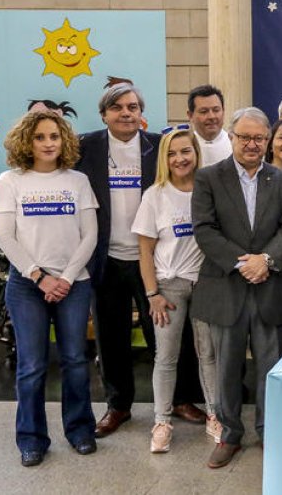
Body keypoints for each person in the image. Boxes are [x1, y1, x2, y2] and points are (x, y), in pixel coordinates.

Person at [76, 83, 207, 438]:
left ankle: (181, 399)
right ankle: (118, 406)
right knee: (111, 335)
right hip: (106, 257)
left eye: (132, 106)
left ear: (141, 112)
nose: (126, 113)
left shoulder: (156, 147)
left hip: (153, 258)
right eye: (117, 107)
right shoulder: (86, 147)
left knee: (165, 334)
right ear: (104, 113)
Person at [191, 107, 282, 469]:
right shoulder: (208, 178)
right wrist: (245, 263)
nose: (252, 144)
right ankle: (230, 434)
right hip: (228, 288)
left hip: (269, 287)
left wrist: (265, 261)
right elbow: (205, 230)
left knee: (270, 366)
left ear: (267, 141)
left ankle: (269, 431)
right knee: (227, 368)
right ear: (232, 137)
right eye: (245, 137)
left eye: (259, 138)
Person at [0, 110, 99, 466]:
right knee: (32, 366)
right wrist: (40, 276)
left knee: (75, 361)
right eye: (40, 137)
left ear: (64, 139)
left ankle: (80, 430)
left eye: (54, 136)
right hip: (27, 286)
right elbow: (5, 236)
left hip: (73, 283)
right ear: (27, 141)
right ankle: (31, 438)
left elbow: (90, 236)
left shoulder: (78, 181)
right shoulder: (10, 181)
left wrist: (65, 278)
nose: (48, 143)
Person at [133, 127, 221, 453]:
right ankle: (162, 421)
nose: (180, 158)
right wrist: (152, 294)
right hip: (168, 287)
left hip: (206, 284)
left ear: (196, 154)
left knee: (208, 353)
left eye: (186, 151)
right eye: (172, 153)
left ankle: (215, 415)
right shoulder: (154, 195)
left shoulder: (209, 190)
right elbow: (144, 251)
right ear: (164, 159)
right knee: (166, 356)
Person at [187, 85, 231, 166]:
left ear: (223, 111)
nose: (211, 116)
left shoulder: (235, 145)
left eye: (216, 110)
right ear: (190, 115)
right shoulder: (185, 147)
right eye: (204, 111)